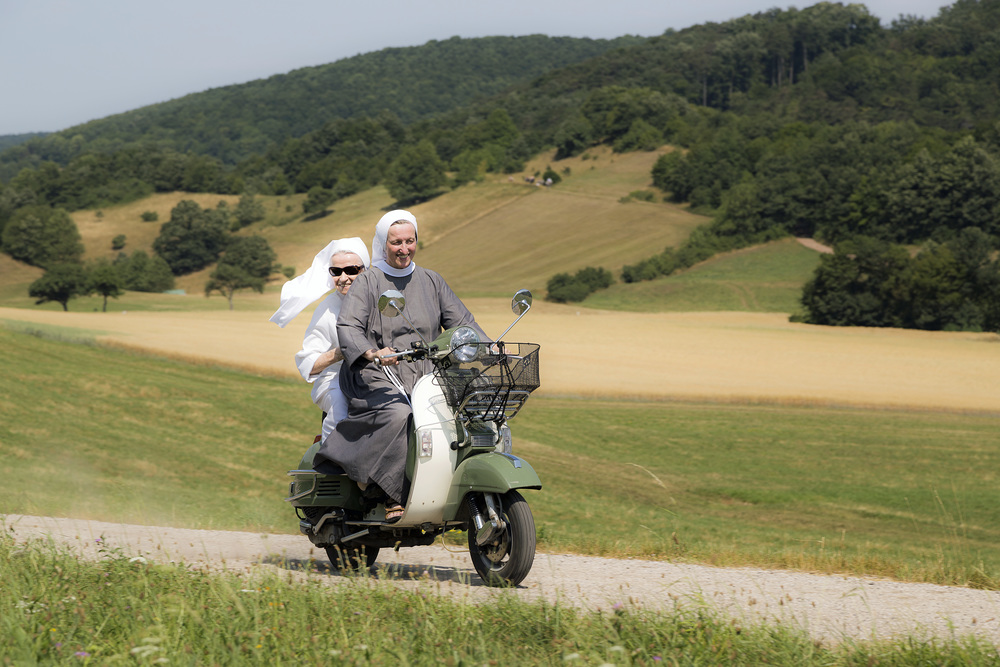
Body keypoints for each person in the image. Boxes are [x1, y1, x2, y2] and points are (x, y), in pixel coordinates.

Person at [312, 210, 486, 523]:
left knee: (472, 406)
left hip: (426, 374)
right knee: (400, 414)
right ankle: (390, 491)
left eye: (410, 241)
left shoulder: (432, 280)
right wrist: (372, 352)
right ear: (383, 244)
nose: (404, 249)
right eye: (396, 243)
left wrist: (490, 347)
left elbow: (463, 322)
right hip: (375, 374)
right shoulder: (368, 281)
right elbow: (348, 326)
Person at [269, 237, 371, 442]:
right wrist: (342, 352)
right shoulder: (326, 310)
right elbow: (309, 364)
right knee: (340, 404)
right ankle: (331, 454)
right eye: (336, 271)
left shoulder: (381, 299)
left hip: (376, 376)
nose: (343, 278)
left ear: (365, 270)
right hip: (336, 379)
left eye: (351, 270)